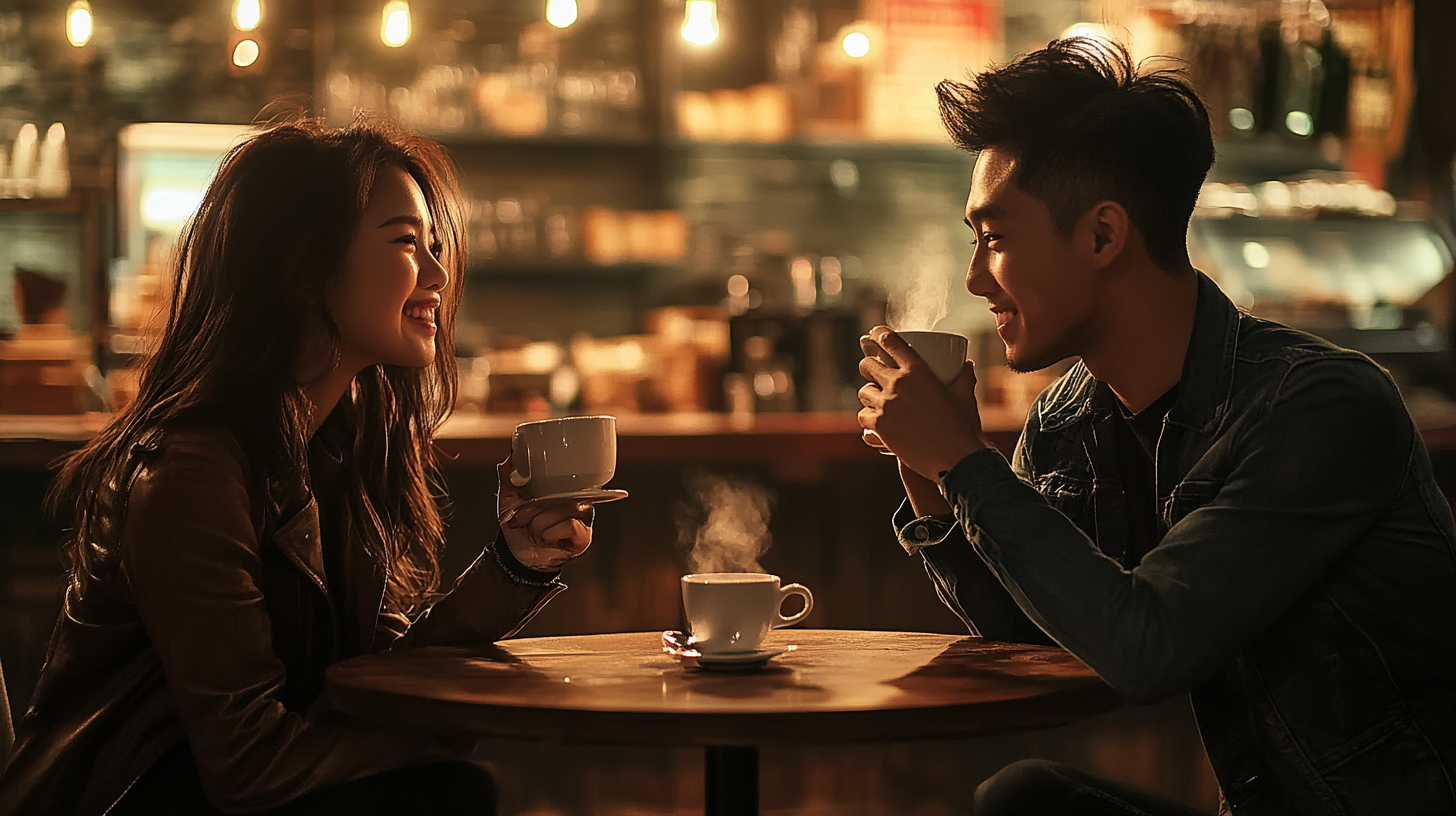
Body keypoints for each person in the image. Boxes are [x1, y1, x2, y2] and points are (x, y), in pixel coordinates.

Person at [857, 39, 1456, 815]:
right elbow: (1040, 639)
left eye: (995, 238)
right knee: (1027, 800)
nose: (976, 279)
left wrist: (968, 463)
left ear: (1104, 236)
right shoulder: (1070, 421)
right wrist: (933, 474)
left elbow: (1149, 648)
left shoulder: (1321, 407)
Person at [0, 117, 594, 816]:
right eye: (407, 242)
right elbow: (249, 765)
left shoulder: (331, 445)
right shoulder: (191, 470)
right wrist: (429, 740)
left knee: (449, 791)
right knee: (448, 791)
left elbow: (374, 677)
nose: (438, 274)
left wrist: (514, 565)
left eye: (435, 247)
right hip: (122, 800)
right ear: (305, 268)